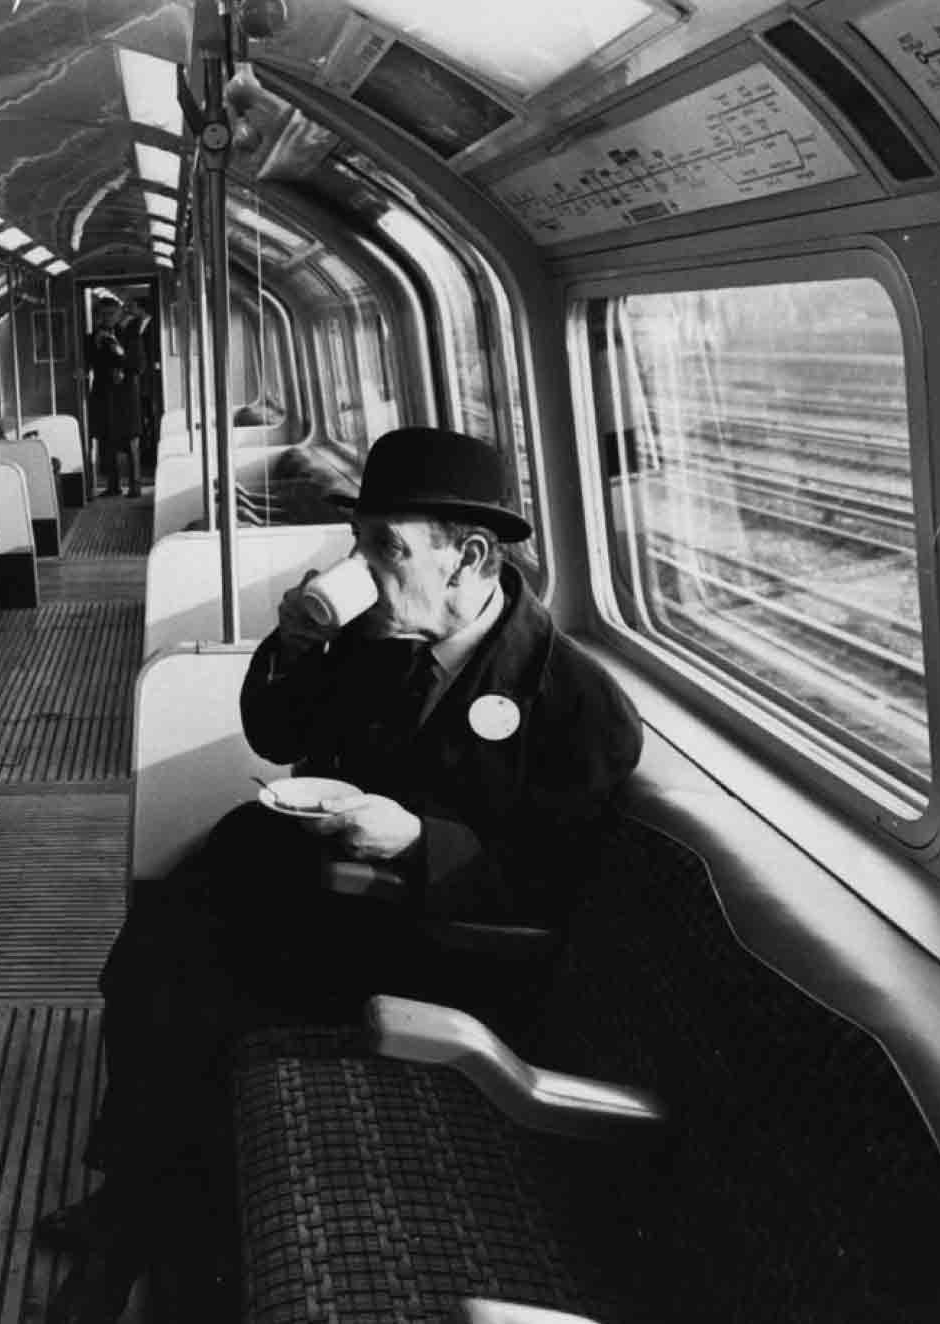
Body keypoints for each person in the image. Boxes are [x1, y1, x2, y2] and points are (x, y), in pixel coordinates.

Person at [40, 426, 644, 1323]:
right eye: (360, 544)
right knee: (151, 952)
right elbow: (279, 736)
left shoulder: (574, 703)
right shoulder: (377, 635)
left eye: (385, 548)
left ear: (468, 555)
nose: (363, 567)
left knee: (211, 999)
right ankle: (134, 1201)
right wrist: (290, 645)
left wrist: (421, 842)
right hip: (324, 895)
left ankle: (148, 1235)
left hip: (432, 951)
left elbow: (548, 887)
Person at [84, 299, 138, 498]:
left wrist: (120, 358)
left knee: (131, 441)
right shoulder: (92, 338)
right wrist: (97, 346)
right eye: (103, 314)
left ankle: (135, 486)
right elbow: (88, 362)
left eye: (111, 314)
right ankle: (113, 486)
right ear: (98, 316)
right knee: (107, 441)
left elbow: (138, 364)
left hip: (125, 396)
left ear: (118, 315)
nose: (107, 318)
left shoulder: (129, 336)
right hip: (103, 395)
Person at [119, 300, 161, 485]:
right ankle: (145, 455)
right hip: (139, 382)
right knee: (141, 420)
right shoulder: (133, 325)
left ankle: (150, 456)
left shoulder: (150, 324)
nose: (130, 310)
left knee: (150, 418)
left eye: (132, 307)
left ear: (140, 308)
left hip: (149, 380)